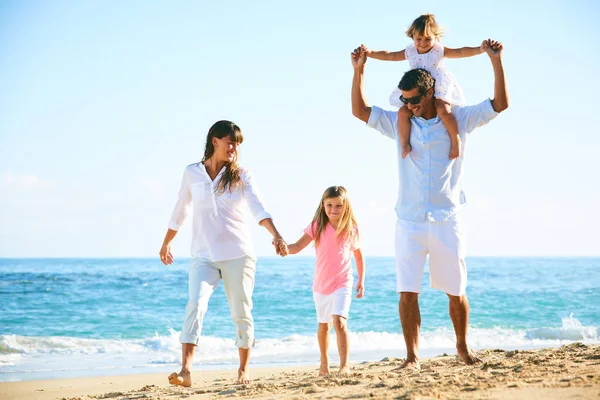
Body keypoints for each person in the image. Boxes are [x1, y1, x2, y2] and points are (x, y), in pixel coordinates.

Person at [350, 39, 508, 370]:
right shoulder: (400, 122)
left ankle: (462, 349)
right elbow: (360, 111)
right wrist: (359, 71)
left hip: (448, 219)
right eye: (405, 100)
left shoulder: (459, 119)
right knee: (407, 292)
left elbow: (499, 104)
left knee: (456, 291)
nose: (410, 106)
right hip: (408, 222)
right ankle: (412, 358)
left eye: (415, 100)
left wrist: (495, 61)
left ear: (431, 92)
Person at [159, 120, 287, 386]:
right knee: (195, 303)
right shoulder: (192, 172)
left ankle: (243, 369)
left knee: (241, 311)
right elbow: (181, 208)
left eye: (237, 144)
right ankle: (185, 370)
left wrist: (275, 235)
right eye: (230, 142)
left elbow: (258, 208)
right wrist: (167, 242)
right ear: (215, 141)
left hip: (238, 255)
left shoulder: (241, 174)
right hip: (203, 255)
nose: (234, 148)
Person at [362, 14, 487, 160]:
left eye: (428, 39)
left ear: (436, 38)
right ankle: (404, 144)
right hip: (417, 87)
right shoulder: (410, 52)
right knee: (403, 112)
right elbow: (390, 55)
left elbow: (460, 51)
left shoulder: (438, 51)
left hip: (437, 86)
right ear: (413, 37)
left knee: (443, 109)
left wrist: (480, 49)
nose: (422, 43)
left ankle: (455, 140)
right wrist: (370, 53)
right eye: (418, 39)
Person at [281, 186, 365, 376]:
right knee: (324, 325)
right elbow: (297, 246)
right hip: (321, 285)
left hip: (343, 282)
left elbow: (359, 256)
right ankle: (324, 363)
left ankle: (344, 365)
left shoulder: (350, 229)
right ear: (323, 205)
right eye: (329, 205)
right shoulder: (317, 225)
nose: (333, 209)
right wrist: (286, 248)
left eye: (338, 206)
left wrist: (361, 279)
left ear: (346, 207)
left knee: (340, 322)